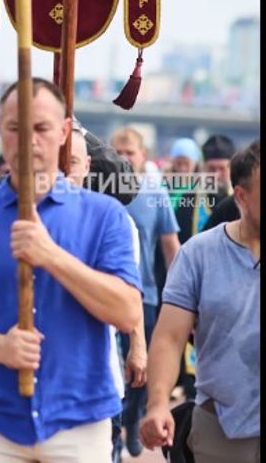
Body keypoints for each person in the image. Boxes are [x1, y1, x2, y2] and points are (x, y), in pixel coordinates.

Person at [0, 78, 142, 461]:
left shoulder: (105, 217)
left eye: (41, 128)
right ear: (0, 131)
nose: (28, 140)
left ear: (64, 133)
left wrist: (51, 255)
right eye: (16, 128)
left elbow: (126, 311)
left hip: (80, 418)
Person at [140, 139, 260, 463]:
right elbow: (169, 336)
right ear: (242, 197)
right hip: (222, 427)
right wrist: (158, 403)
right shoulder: (199, 254)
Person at [66, 128, 147, 463]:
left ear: (87, 165)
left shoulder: (113, 220)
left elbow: (129, 294)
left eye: (69, 161)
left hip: (95, 369)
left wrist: (138, 345)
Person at [110, 126, 181, 457]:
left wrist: (183, 294)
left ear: (143, 156)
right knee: (109, 368)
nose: (124, 159)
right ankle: (112, 432)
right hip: (102, 299)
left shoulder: (156, 193)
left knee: (140, 368)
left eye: (130, 153)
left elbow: (170, 247)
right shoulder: (97, 190)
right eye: (118, 153)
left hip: (145, 297)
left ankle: (133, 418)